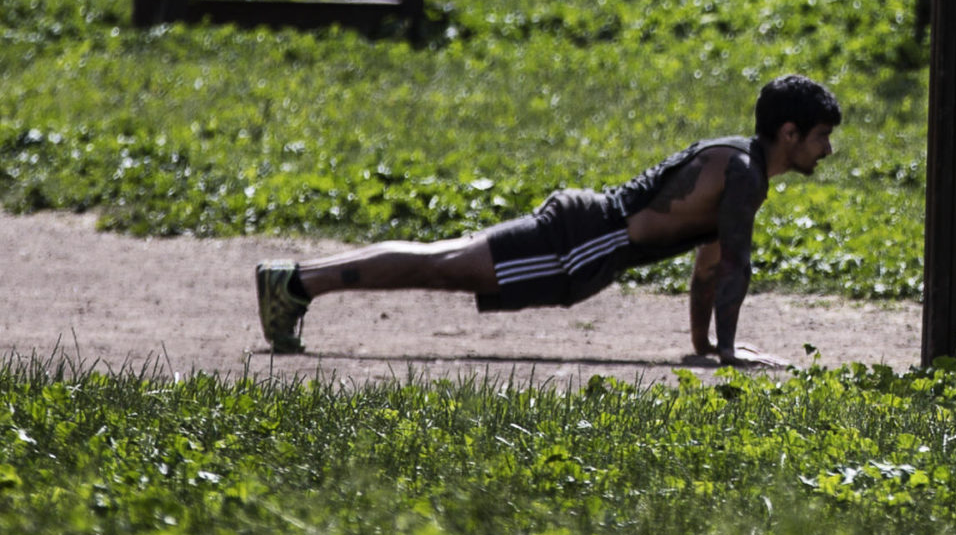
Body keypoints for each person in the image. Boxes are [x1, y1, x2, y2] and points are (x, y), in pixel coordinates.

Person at [252, 74, 842, 369]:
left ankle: (294, 280)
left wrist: (706, 346)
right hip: (585, 241)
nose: (826, 151)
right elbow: (733, 264)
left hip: (586, 237)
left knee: (446, 262)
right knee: (445, 265)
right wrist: (731, 355)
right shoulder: (744, 173)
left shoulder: (739, 166)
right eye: (821, 138)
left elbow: (708, 264)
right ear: (788, 133)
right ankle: (298, 283)